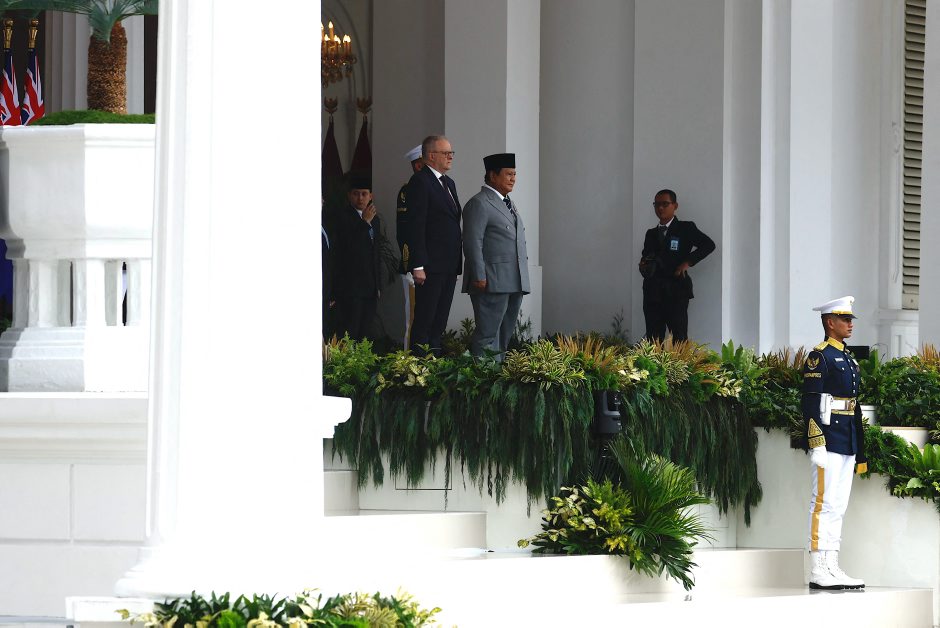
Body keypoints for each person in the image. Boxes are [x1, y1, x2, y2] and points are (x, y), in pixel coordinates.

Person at [802, 295, 867, 590]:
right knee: (823, 503)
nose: (850, 324)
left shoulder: (848, 357)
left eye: (850, 319)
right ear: (830, 322)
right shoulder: (820, 357)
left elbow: (853, 405)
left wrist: (859, 447)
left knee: (838, 505)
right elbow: (810, 402)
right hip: (828, 439)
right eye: (845, 319)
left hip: (846, 438)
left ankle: (832, 565)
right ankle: (818, 568)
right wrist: (816, 442)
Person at [462, 152, 530, 358]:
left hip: (513, 280)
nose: (513, 178)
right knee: (488, 335)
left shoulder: (508, 202)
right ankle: (483, 375)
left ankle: (496, 374)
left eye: (514, 174)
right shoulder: (480, 203)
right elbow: (473, 241)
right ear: (492, 175)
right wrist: (479, 275)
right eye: (508, 174)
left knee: (503, 336)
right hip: (491, 280)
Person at [402, 135, 462, 355]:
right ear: (431, 156)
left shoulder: (448, 183)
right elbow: (416, 224)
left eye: (451, 153)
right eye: (446, 153)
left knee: (439, 320)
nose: (450, 157)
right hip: (430, 266)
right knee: (425, 320)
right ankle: (419, 365)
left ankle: (434, 364)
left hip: (448, 264)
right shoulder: (420, 181)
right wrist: (417, 264)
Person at [638, 189, 715, 342]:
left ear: (675, 206)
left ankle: (679, 359)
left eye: (665, 204)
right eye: (657, 204)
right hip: (653, 292)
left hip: (676, 290)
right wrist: (644, 265)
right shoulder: (651, 234)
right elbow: (646, 255)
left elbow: (708, 245)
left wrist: (687, 262)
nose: (660, 208)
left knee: (679, 338)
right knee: (653, 339)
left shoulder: (686, 228)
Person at [332, 174, 381, 341]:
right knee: (350, 331)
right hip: (351, 287)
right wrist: (364, 223)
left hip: (370, 287)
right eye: (356, 194)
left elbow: (376, 254)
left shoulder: (375, 219)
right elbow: (348, 249)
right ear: (349, 195)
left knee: (365, 332)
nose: (360, 198)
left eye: (364, 194)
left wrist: (378, 285)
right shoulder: (342, 217)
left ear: (370, 196)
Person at [396, 144, 424, 349]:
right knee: (413, 319)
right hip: (414, 266)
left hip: (433, 266)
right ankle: (408, 361)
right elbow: (405, 231)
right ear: (418, 166)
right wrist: (411, 264)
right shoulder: (408, 191)